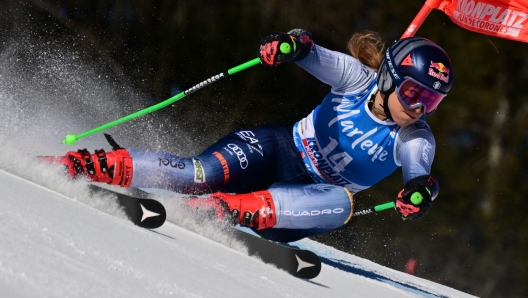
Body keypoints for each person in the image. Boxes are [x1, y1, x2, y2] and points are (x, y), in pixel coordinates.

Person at [46, 29, 453, 242]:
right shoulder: (357, 79)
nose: (419, 107)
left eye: (431, 102)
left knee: (340, 203)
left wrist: (419, 193)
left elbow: (421, 177)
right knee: (197, 174)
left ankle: (222, 211)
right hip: (279, 149)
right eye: (413, 92)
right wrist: (288, 45)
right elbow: (308, 48)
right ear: (388, 78)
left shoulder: (416, 137)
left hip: (307, 202)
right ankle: (84, 165)